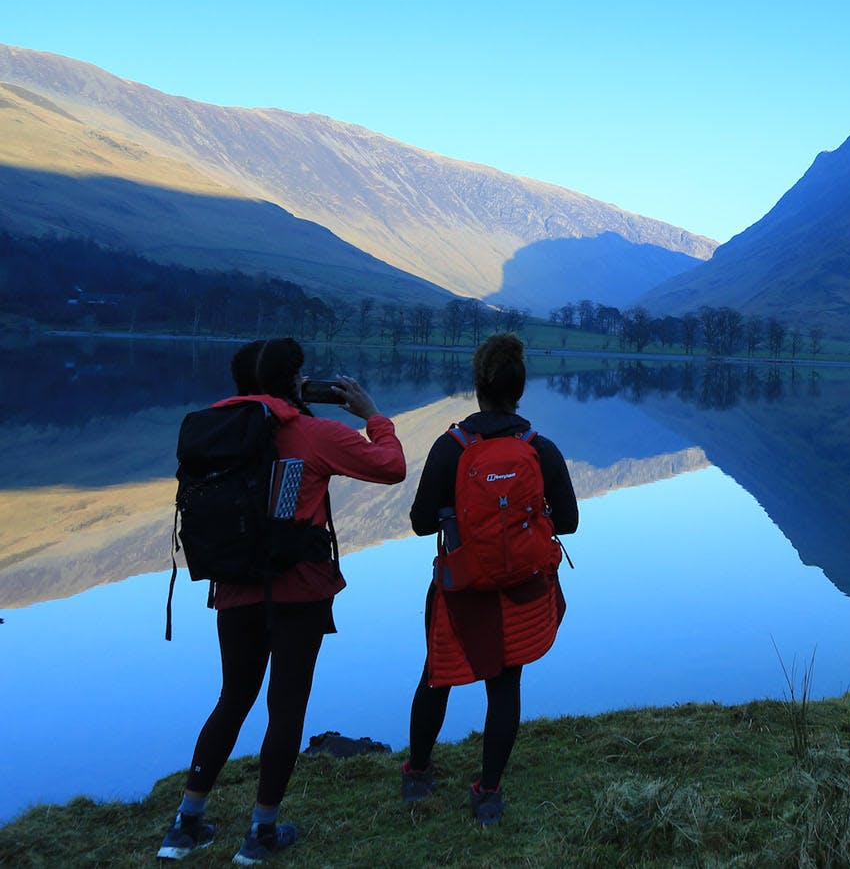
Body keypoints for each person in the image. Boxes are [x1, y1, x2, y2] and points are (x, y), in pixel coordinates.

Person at [158, 338, 406, 864]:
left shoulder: (214, 429)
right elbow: (391, 466)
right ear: (294, 382)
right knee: (286, 706)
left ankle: (184, 827)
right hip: (299, 589)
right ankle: (261, 835)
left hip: (233, 584)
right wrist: (373, 415)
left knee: (233, 698)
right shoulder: (312, 433)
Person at [400, 333, 578, 825]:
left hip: (462, 590)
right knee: (505, 686)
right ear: (520, 390)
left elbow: (418, 524)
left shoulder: (449, 447)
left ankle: (417, 774)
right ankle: (489, 794)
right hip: (520, 588)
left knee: (436, 677)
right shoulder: (540, 449)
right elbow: (568, 522)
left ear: (478, 386)